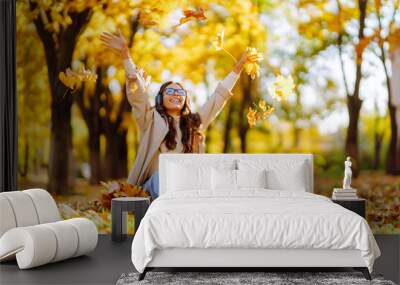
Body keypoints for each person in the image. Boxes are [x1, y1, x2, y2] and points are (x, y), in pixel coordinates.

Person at [100, 30, 257, 199]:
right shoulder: (150, 119)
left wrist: (239, 67)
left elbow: (218, 97)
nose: (176, 94)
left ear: (185, 99)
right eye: (171, 91)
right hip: (155, 186)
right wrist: (126, 56)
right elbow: (138, 95)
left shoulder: (195, 122)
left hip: (188, 186)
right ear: (160, 97)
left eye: (180, 92)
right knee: (166, 177)